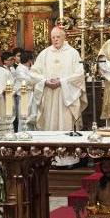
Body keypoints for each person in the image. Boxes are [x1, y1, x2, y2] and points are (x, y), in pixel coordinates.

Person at [30, 27, 87, 167]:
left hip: (66, 97)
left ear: (64, 37)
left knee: (66, 124)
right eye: (53, 37)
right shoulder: (44, 54)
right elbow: (33, 73)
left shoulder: (73, 53)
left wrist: (62, 81)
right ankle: (50, 158)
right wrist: (45, 81)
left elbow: (80, 74)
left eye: (57, 37)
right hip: (49, 96)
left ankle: (69, 159)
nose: (55, 40)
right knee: (50, 124)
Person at [14, 50, 36, 131]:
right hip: (24, 96)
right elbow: (29, 80)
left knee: (32, 119)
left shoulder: (27, 68)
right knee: (24, 118)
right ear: (30, 60)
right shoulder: (20, 69)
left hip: (31, 95)